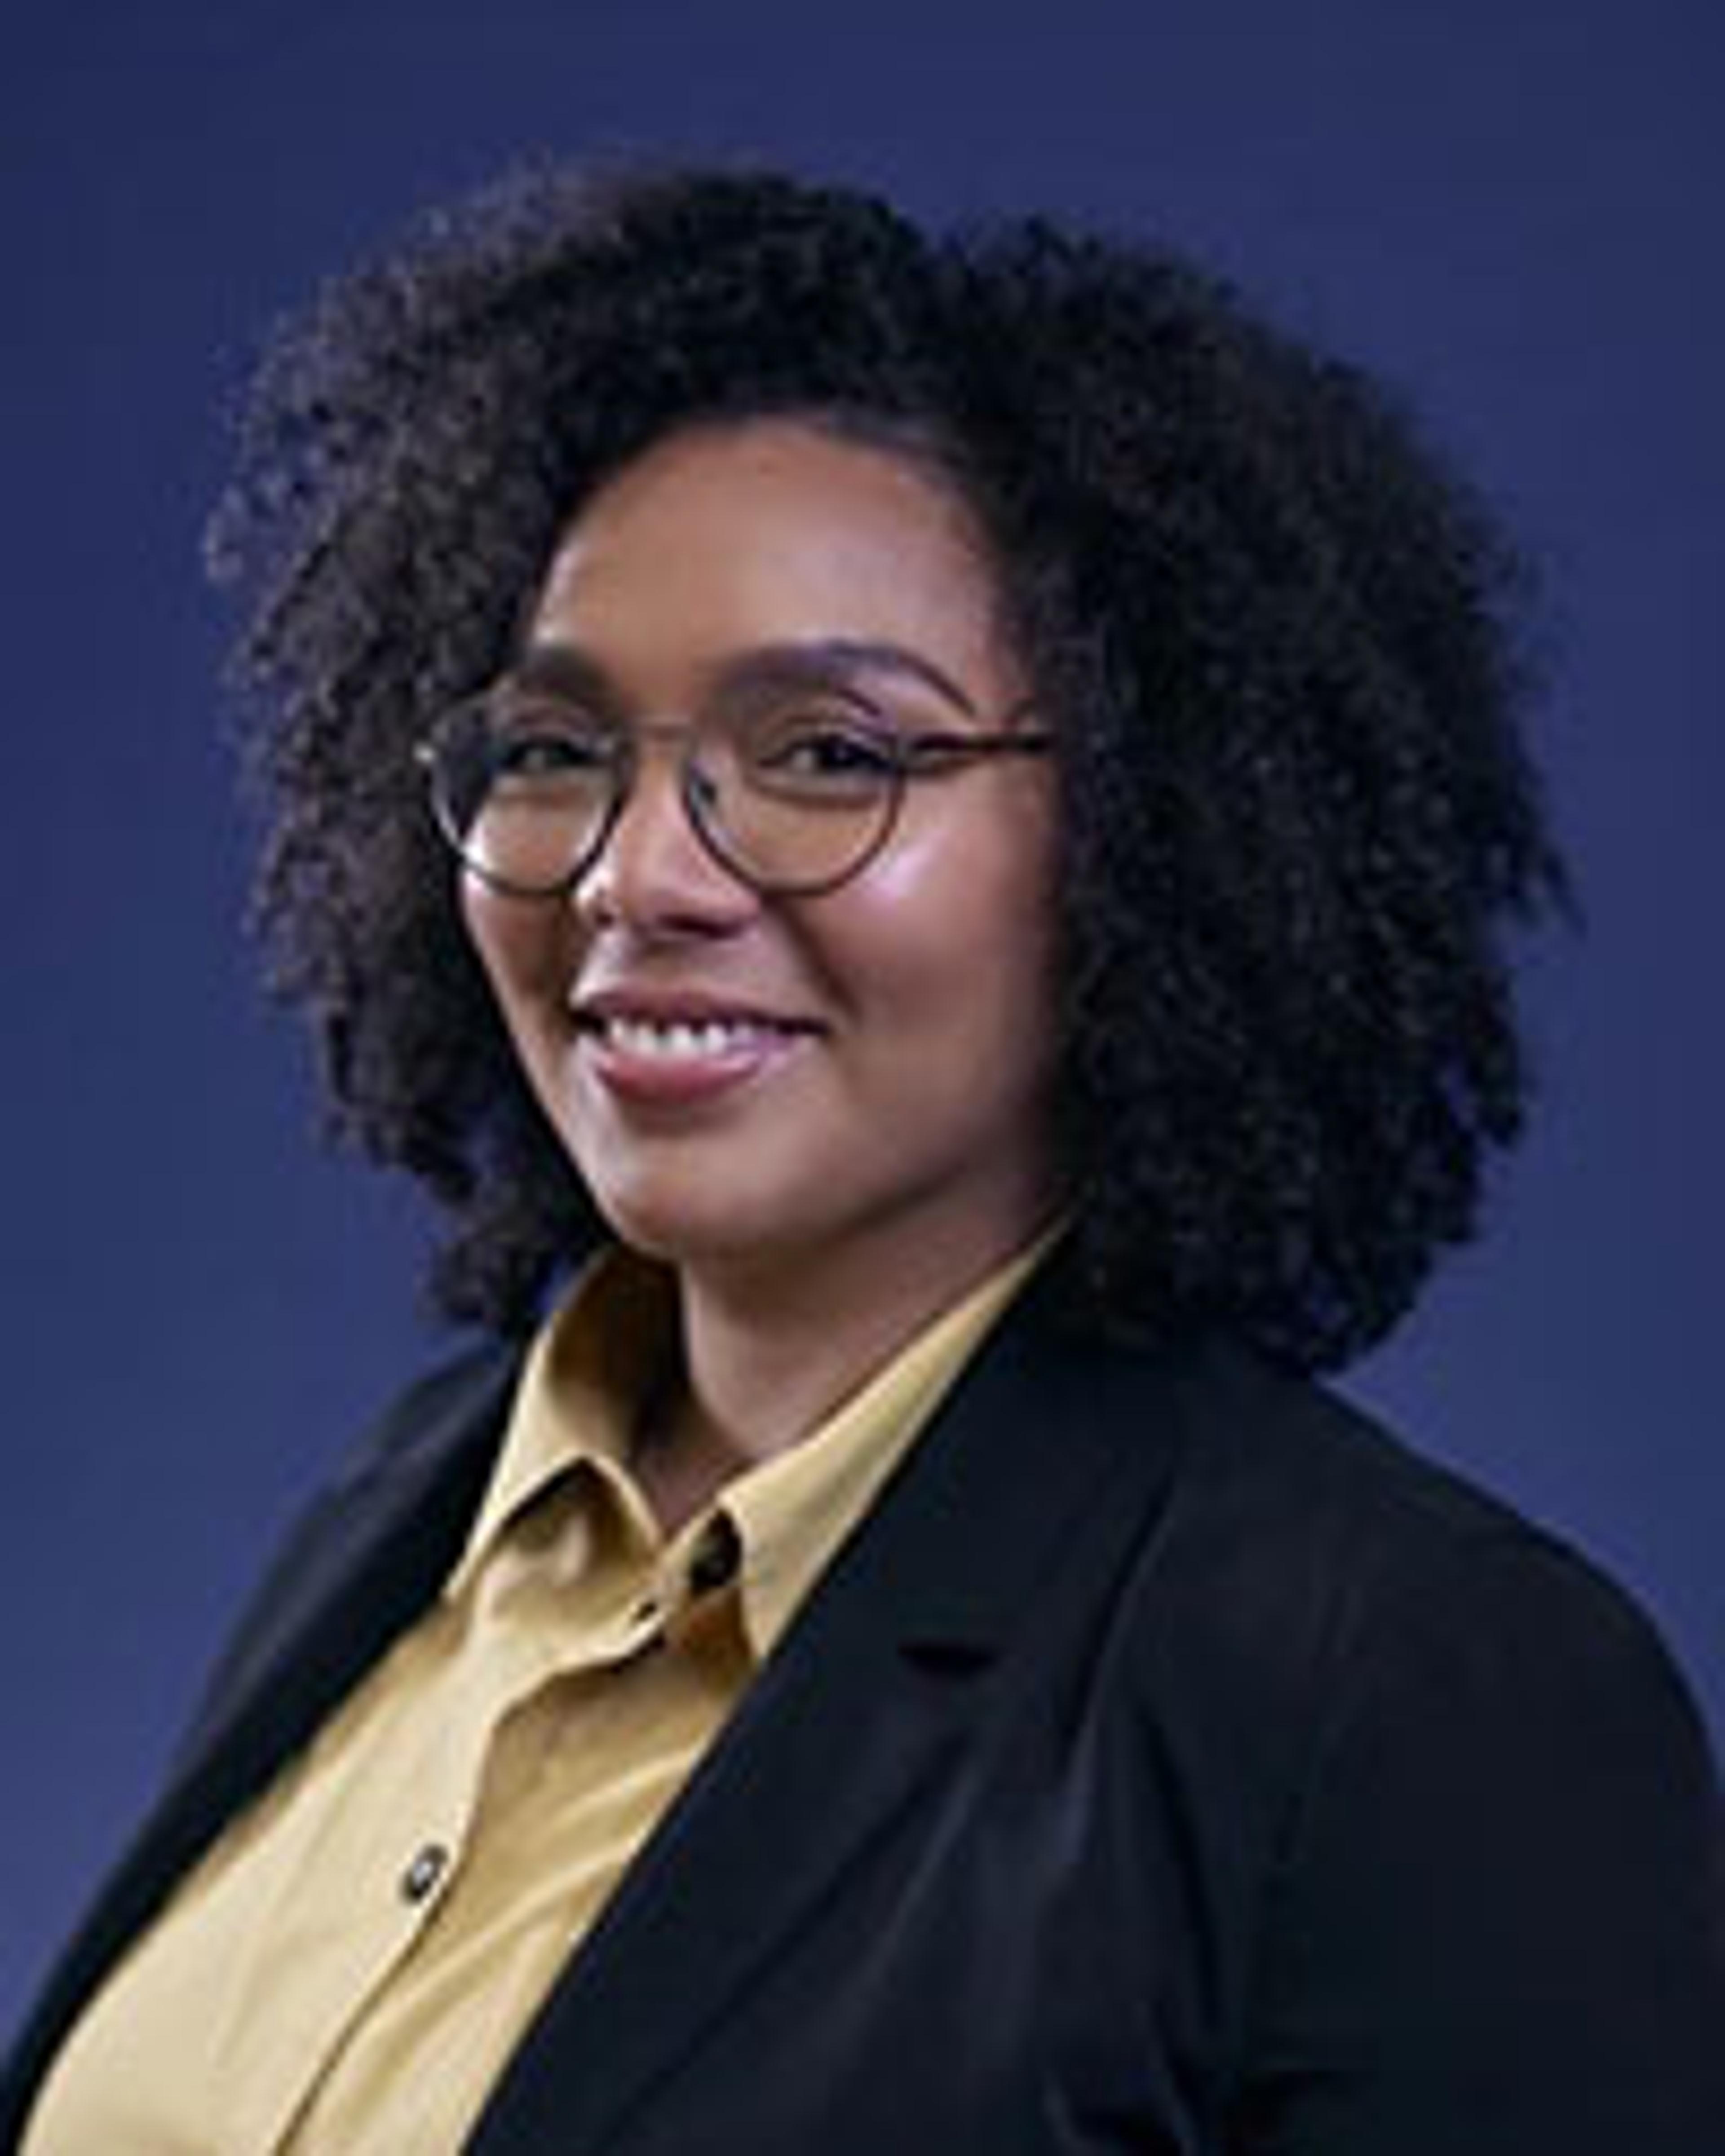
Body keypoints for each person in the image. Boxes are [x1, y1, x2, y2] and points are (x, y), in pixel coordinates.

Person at [4, 161, 1721, 2155]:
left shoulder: (1406, 1696)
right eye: (554, 749)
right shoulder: (415, 1514)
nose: (637, 876)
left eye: (830, 753)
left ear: (1156, 829)